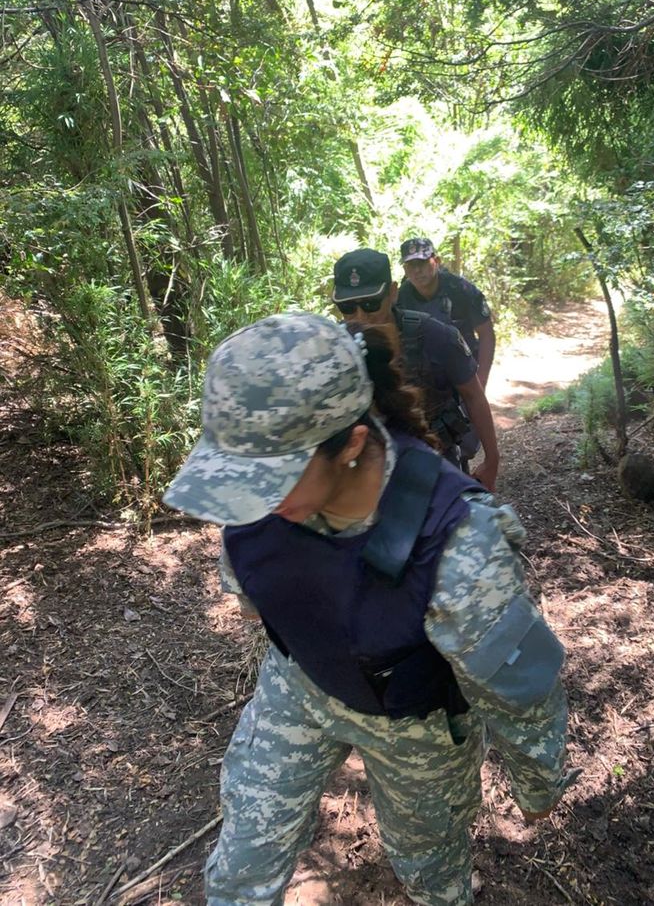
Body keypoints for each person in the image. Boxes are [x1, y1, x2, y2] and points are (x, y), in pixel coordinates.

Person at [163, 312, 576, 906]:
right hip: (299, 685)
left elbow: (519, 690)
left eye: (272, 479)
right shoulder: (261, 503)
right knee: (241, 865)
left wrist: (538, 785)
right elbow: (258, 604)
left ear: (352, 443)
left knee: (430, 868)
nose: (250, 500)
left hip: (415, 725)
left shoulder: (459, 543)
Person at [332, 247, 499, 492]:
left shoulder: (435, 335)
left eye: (370, 304)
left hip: (437, 463)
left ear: (392, 293)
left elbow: (473, 396)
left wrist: (492, 461)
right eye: (347, 308)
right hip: (370, 472)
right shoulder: (333, 346)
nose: (360, 317)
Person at [397, 238, 496, 390]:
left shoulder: (460, 290)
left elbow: (486, 333)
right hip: (423, 379)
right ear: (405, 269)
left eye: (422, 263)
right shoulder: (401, 298)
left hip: (464, 373)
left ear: (436, 261)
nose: (417, 270)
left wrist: (481, 381)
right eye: (411, 265)